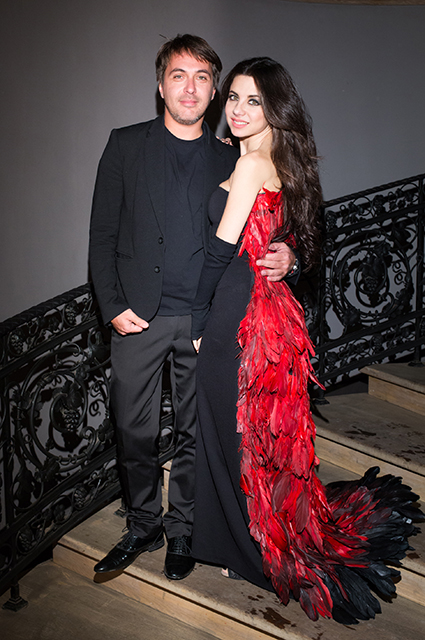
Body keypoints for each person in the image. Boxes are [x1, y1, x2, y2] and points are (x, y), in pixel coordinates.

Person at [191, 57, 424, 622]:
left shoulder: (251, 164)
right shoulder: (280, 158)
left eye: (253, 100)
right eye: (234, 98)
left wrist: (197, 322)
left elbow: (219, 251)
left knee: (230, 432)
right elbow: (299, 236)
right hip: (269, 313)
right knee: (251, 438)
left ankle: (250, 553)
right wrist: (290, 257)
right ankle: (243, 543)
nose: (238, 109)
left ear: (274, 107)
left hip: (235, 313)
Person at [89, 36, 297, 581]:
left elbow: (271, 222)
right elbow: (102, 233)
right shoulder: (125, 144)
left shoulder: (233, 155)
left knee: (195, 433)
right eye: (178, 75)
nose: (190, 87)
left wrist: (290, 255)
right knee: (133, 431)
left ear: (213, 91)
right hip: (138, 317)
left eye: (202, 77)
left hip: (209, 321)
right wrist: (112, 304)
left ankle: (182, 528)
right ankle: (142, 524)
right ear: (160, 86)